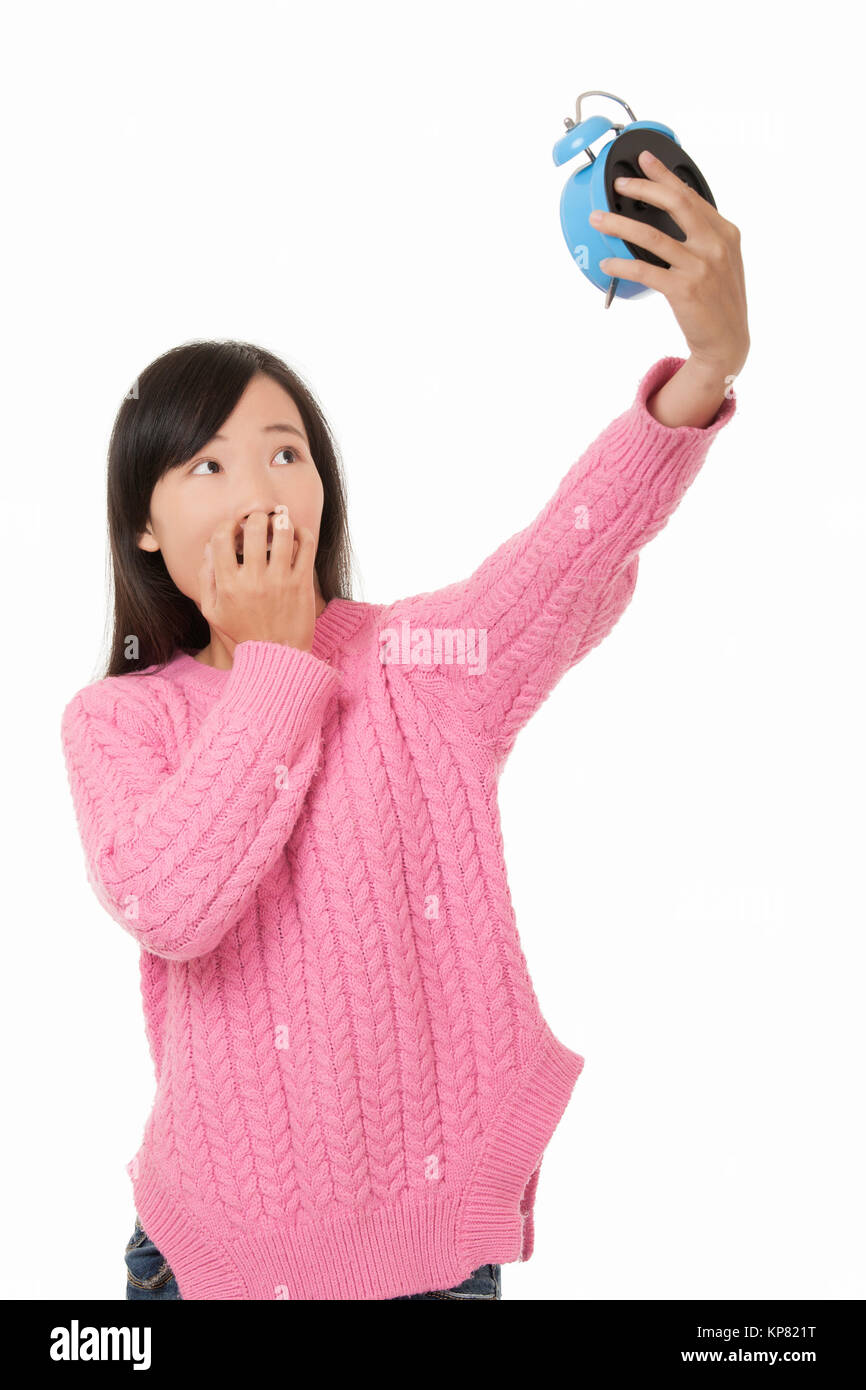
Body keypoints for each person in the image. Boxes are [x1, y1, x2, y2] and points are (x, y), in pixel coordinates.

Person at [61, 150, 748, 1301]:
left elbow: (566, 556)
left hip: (431, 1252)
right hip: (208, 1259)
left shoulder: (415, 661)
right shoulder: (115, 719)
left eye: (287, 452)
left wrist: (706, 366)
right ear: (143, 525)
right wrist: (277, 659)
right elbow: (172, 904)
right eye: (209, 462)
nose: (260, 487)